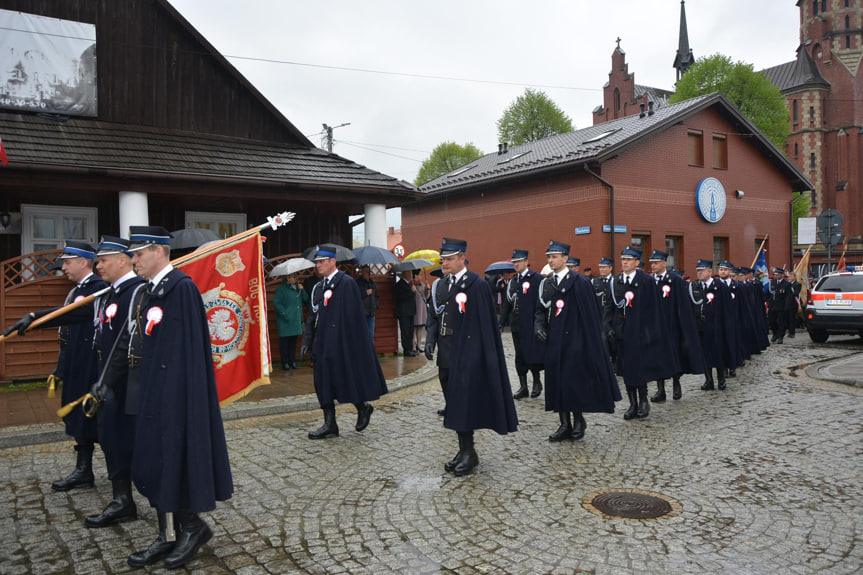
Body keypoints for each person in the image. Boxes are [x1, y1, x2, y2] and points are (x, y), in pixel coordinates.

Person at [126, 226, 233, 569]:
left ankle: (190, 527)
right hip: (151, 393)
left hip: (173, 396)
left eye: (139, 254)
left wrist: (175, 398)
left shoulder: (181, 289)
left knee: (173, 459)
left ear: (159, 251)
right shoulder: (150, 291)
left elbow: (186, 353)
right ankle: (167, 534)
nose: (134, 260)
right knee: (154, 461)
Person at [3, 241, 108, 491]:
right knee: (76, 417)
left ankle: (121, 475)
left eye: (67, 262)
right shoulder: (78, 289)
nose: (63, 268)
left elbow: (71, 314)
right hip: (74, 360)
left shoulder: (98, 288)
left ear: (84, 262)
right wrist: (60, 365)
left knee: (92, 417)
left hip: (91, 363)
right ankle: (83, 471)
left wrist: (33, 319)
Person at [424, 237, 518, 476]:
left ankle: (470, 452)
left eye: (449, 259)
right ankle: (463, 449)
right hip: (446, 351)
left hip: (466, 353)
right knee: (453, 402)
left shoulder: (475, 284)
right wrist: (432, 341)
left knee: (465, 402)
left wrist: (477, 355)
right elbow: (437, 316)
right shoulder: (444, 284)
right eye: (443, 259)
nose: (444, 263)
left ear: (462, 258)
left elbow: (484, 324)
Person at [84, 236, 148, 528]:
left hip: (125, 383)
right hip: (107, 379)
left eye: (103, 260)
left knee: (127, 441)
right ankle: (122, 500)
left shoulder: (136, 292)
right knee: (110, 437)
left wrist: (109, 380)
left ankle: (154, 503)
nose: (97, 267)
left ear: (123, 260)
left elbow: (129, 343)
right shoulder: (110, 293)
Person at [300, 244, 387, 439]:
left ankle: (363, 406)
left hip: (340, 343)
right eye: (317, 262)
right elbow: (313, 316)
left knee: (342, 378)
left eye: (322, 262)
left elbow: (353, 317)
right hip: (321, 343)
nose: (318, 266)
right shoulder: (319, 286)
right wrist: (307, 340)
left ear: (333, 262)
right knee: (322, 382)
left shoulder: (346, 283)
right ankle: (330, 424)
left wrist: (348, 344)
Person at [535, 240, 619, 441]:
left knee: (573, 382)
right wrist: (538, 327)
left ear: (565, 258)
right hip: (554, 342)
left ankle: (578, 420)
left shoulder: (579, 282)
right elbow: (540, 309)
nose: (551, 260)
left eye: (554, 256)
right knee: (557, 382)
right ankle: (564, 423)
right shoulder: (547, 283)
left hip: (575, 341)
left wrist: (587, 342)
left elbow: (590, 316)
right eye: (549, 257)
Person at [604, 246, 675, 420]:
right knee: (626, 369)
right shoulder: (616, 282)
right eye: (623, 259)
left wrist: (652, 332)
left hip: (641, 332)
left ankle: (643, 400)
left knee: (639, 368)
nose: (625, 262)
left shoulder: (646, 280)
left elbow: (654, 308)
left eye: (629, 259)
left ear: (636, 262)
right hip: (622, 332)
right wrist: (607, 327)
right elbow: (609, 308)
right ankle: (632, 403)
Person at [649, 250, 705, 402]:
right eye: (651, 263)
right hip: (655, 327)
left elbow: (684, 305)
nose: (653, 265)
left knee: (675, 356)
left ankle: (676, 383)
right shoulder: (648, 280)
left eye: (656, 262)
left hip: (672, 326)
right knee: (657, 358)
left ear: (664, 263)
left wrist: (684, 326)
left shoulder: (675, 280)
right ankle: (660, 389)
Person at [498, 249, 545, 400]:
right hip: (517, 324)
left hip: (531, 323)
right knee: (520, 355)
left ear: (526, 262)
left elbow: (540, 302)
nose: (516, 264)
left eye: (519, 261)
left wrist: (540, 323)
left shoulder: (536, 278)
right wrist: (501, 323)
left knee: (532, 353)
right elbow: (507, 304)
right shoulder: (513, 281)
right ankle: (523, 386)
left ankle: (537, 382)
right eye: (514, 262)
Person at [690, 259, 733, 391]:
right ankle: (708, 380)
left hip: (716, 325)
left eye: (702, 270)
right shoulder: (694, 286)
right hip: (700, 325)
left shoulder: (719, 286)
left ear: (710, 271)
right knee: (704, 354)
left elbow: (727, 308)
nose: (699, 273)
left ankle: (721, 379)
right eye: (698, 271)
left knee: (717, 352)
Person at [273, 273, 309, 369]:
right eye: (294, 277)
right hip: (285, 321)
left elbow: (305, 299)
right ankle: (285, 362)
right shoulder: (281, 290)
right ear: (288, 279)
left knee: (293, 342)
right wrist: (284, 314)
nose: (296, 279)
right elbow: (277, 303)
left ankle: (292, 361)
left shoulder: (298, 288)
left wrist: (302, 289)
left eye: (296, 277)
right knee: (284, 342)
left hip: (295, 320)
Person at [394, 269, 418, 356]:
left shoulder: (410, 284)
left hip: (410, 311)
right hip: (403, 311)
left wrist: (413, 291)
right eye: (410, 273)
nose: (411, 275)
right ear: (405, 274)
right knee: (405, 331)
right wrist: (411, 291)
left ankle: (411, 348)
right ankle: (406, 350)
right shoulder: (399, 284)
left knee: (410, 330)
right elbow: (400, 297)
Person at [766, 267, 792, 344]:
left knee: (781, 322)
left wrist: (786, 306)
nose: (776, 276)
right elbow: (768, 294)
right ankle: (775, 334)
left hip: (781, 306)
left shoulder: (786, 284)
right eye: (775, 274)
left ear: (782, 275)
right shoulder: (772, 282)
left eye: (777, 274)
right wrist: (768, 301)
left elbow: (788, 296)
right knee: (772, 321)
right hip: (772, 305)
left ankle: (780, 336)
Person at [356, 264, 380, 344]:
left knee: (371, 334)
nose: (368, 273)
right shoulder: (358, 283)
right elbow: (355, 296)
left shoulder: (372, 283)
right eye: (366, 272)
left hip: (371, 312)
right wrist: (365, 293)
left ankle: (371, 353)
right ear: (362, 272)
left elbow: (377, 296)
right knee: (361, 334)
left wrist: (376, 305)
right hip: (362, 313)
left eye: (369, 272)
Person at [413, 272, 429, 354]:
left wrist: (427, 289)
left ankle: (419, 345)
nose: (421, 276)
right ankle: (413, 345)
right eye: (419, 274)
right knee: (413, 328)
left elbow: (426, 297)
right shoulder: (412, 284)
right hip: (414, 309)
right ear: (415, 275)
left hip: (422, 309)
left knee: (420, 327)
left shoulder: (422, 284)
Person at [786, 270, 802, 339]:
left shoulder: (797, 284)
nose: (789, 277)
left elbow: (796, 293)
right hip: (787, 303)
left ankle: (792, 333)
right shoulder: (787, 284)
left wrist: (789, 295)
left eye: (790, 276)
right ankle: (789, 331)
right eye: (788, 276)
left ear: (794, 277)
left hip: (793, 303)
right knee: (787, 319)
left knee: (791, 319)